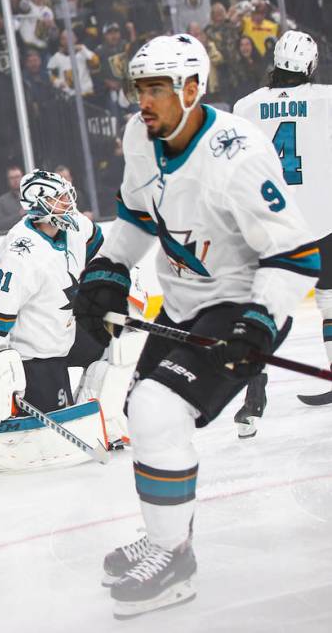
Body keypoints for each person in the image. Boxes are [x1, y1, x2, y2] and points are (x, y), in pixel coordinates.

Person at [73, 34, 318, 619]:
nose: (145, 102)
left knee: (159, 411)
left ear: (192, 88)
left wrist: (258, 326)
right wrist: (109, 267)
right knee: (144, 415)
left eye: (157, 89)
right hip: (185, 303)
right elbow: (135, 218)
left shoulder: (237, 153)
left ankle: (172, 561)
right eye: (140, 90)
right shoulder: (142, 136)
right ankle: (169, 535)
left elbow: (295, 255)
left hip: (243, 305)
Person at [233, 31, 332, 410]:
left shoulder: (246, 106)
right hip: (323, 218)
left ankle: (254, 391)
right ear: (309, 65)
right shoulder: (325, 99)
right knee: (330, 301)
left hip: (271, 223)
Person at [0, 170, 105, 415]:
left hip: (67, 334)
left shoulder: (75, 226)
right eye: (58, 199)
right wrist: (1, 359)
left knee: (117, 346)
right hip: (37, 355)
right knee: (54, 428)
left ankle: (101, 418)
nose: (68, 203)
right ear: (38, 205)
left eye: (66, 195)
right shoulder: (21, 254)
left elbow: (104, 252)